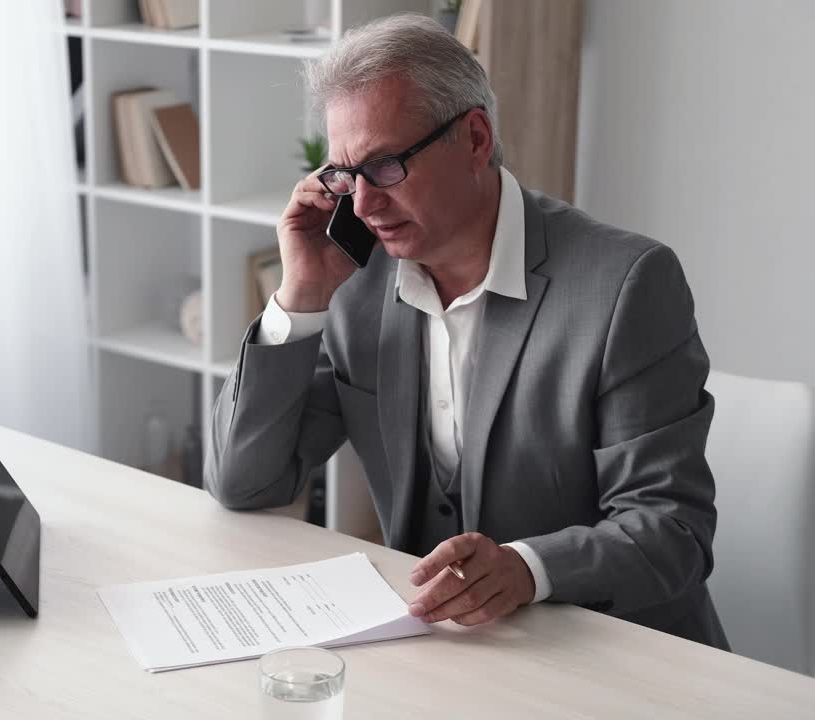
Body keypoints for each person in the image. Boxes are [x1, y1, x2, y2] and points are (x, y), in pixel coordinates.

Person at [204, 14, 728, 649]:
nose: (363, 206)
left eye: (387, 166)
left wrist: (529, 570)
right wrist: (302, 297)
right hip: (448, 654)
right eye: (345, 175)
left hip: (613, 653)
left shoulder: (627, 285)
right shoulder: (354, 280)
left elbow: (672, 529)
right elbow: (245, 483)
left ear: (476, 138)